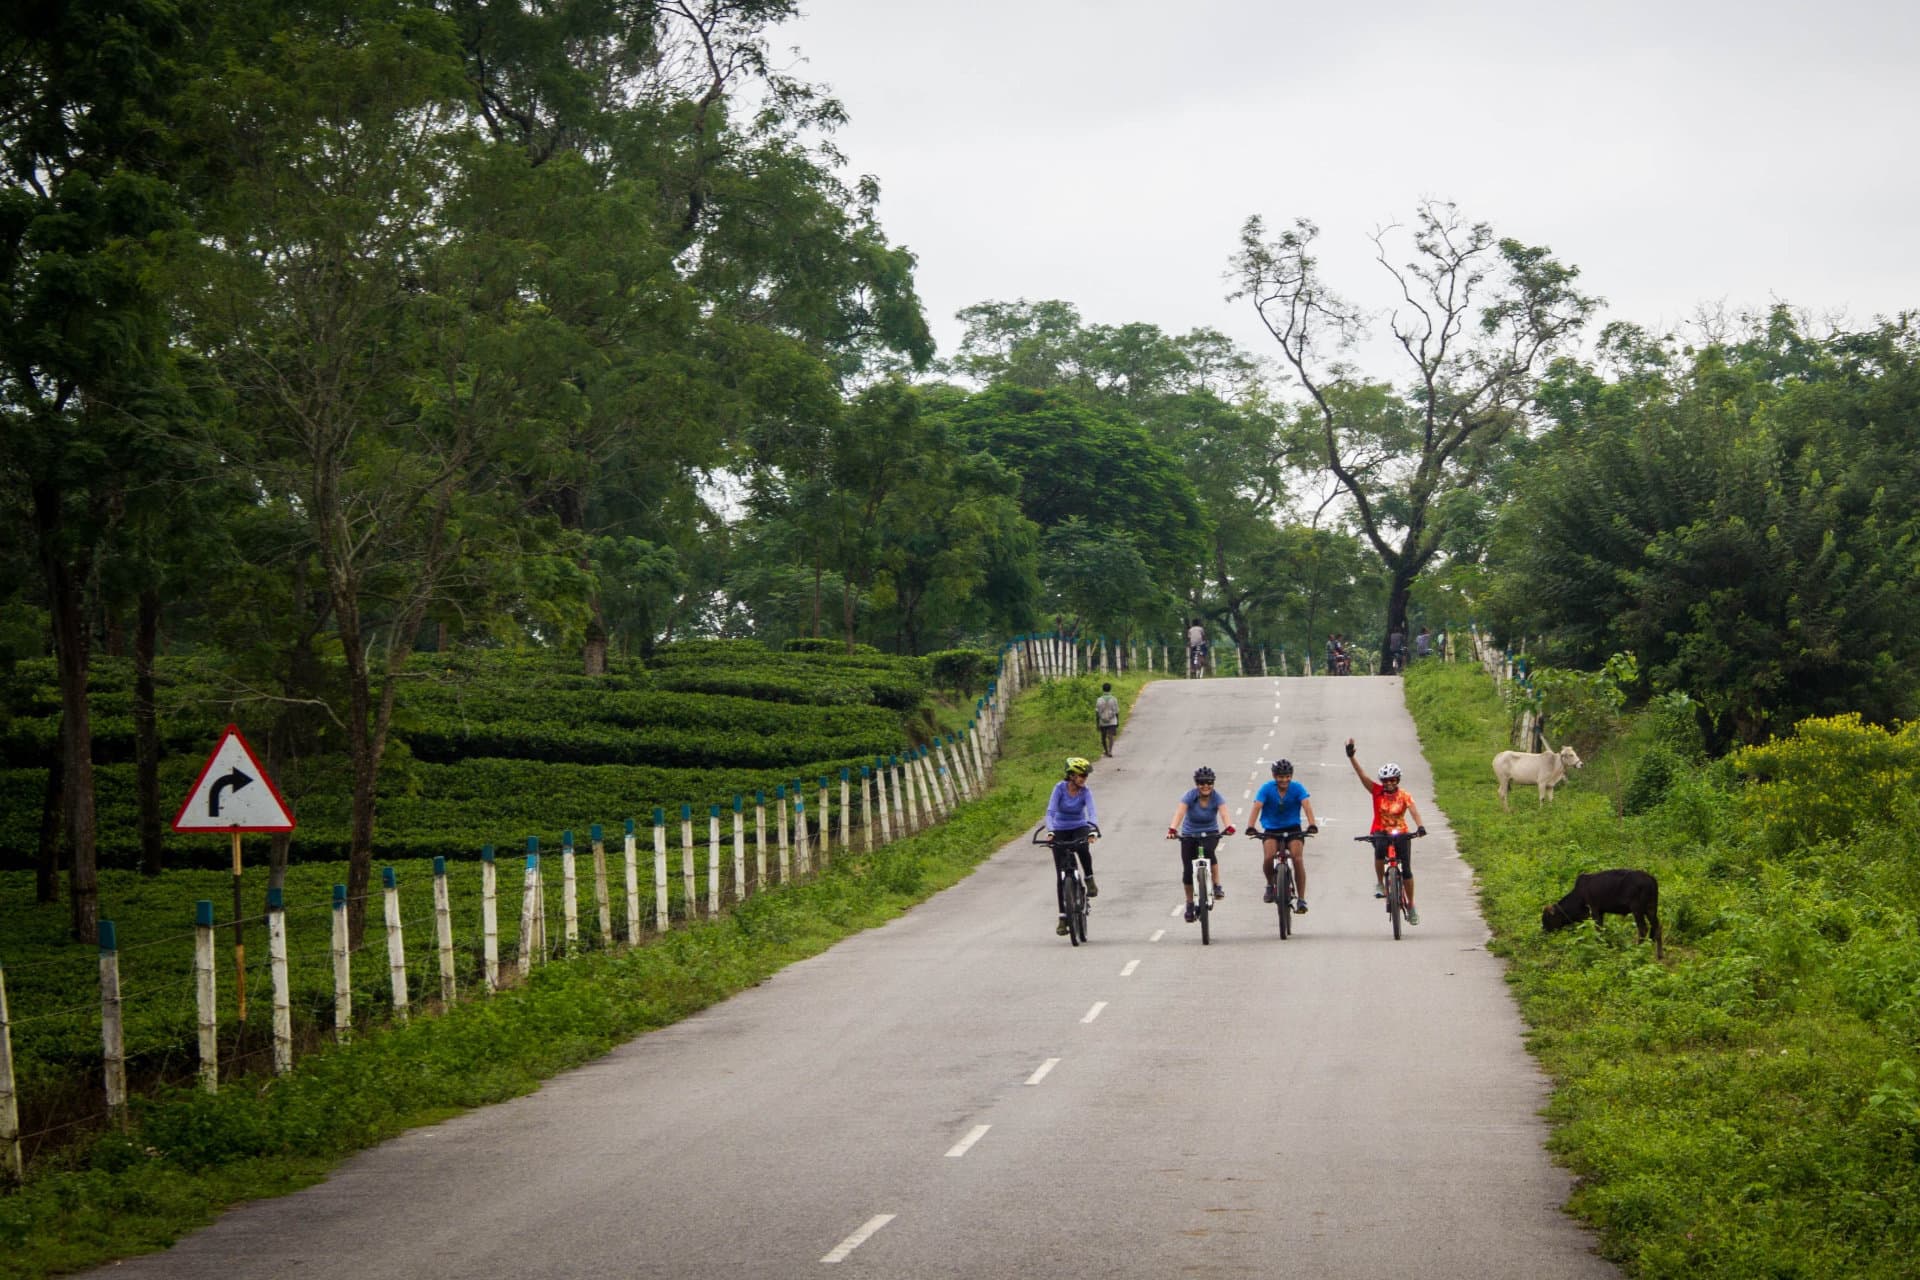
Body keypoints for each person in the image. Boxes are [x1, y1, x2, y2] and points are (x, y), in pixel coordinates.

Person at [1345, 738, 1427, 924]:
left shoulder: (1404, 795)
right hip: (1380, 831)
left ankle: (1411, 905)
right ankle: (1381, 883)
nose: (1389, 783)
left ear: (1397, 780)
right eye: (1386, 780)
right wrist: (1351, 757)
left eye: (1392, 780)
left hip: (1401, 833)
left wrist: (1420, 827)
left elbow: (1414, 811)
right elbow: (1362, 775)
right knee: (1380, 851)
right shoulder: (1377, 792)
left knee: (1406, 870)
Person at [1246, 758, 1318, 913]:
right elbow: (1257, 806)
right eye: (1280, 776)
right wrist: (1250, 826)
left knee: (1297, 859)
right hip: (1272, 830)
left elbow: (1306, 805)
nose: (1284, 780)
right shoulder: (1266, 788)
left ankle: (1301, 899)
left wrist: (1312, 824)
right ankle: (1270, 884)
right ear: (1274, 776)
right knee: (1269, 856)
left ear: (1291, 776)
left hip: (1293, 829)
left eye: (1287, 776)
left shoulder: (1298, 788)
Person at [1167, 765, 1233, 922]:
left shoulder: (1217, 797)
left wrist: (1229, 826)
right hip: (1190, 834)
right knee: (1188, 871)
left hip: (1210, 833)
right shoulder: (1189, 796)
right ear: (1197, 784)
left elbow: (1224, 813)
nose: (1206, 786)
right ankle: (1190, 903)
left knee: (1210, 853)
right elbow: (1180, 812)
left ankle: (1217, 886)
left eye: (1209, 783)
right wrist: (1172, 829)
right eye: (1202, 783)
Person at [1044, 756, 1100, 935]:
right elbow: (1051, 812)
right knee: (1061, 876)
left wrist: (1092, 829)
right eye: (1081, 775)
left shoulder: (1086, 792)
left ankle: (1089, 879)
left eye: (1085, 776)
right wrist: (1051, 831)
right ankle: (1063, 918)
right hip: (1060, 828)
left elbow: (1091, 811)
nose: (1084, 778)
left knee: (1083, 847)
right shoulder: (1059, 789)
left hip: (1079, 826)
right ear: (1071, 775)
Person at [1094, 682, 1120, 756]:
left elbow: (1097, 712)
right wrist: (1117, 721)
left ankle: (1106, 751)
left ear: (1103, 689)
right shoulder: (1114, 699)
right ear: (1110, 689)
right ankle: (1110, 751)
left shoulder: (1099, 700)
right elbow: (1117, 711)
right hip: (1112, 721)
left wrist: (1097, 723)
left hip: (1102, 721)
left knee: (1103, 737)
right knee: (1110, 736)